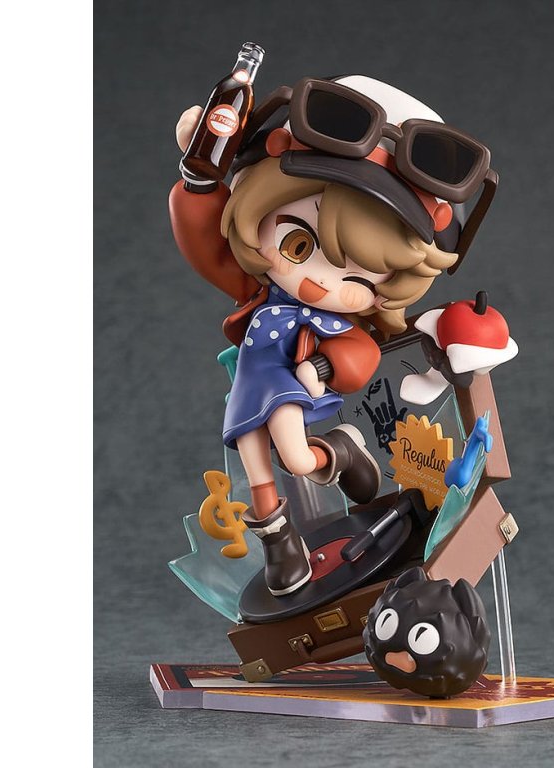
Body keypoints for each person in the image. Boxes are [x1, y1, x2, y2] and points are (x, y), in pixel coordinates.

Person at [170, 75, 492, 596]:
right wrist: (200, 180)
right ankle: (280, 543)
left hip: (291, 381)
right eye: (298, 245)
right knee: (253, 452)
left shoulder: (336, 325)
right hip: (253, 380)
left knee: (297, 459)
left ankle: (338, 453)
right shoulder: (261, 294)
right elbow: (206, 241)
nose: (319, 282)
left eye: (359, 279)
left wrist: (322, 365)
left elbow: (359, 354)